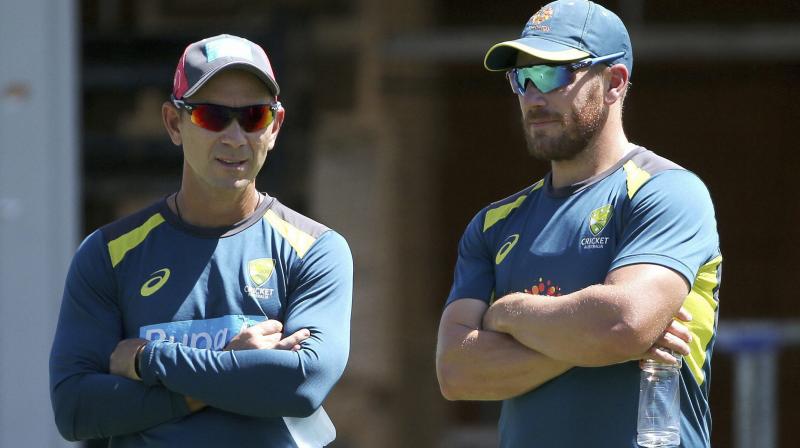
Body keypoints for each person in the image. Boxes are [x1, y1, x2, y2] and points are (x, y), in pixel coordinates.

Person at [435, 1, 721, 447]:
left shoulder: (667, 192)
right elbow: (456, 371)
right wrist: (593, 338)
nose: (532, 94)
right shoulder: (493, 224)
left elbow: (624, 324)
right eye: (521, 77)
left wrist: (509, 312)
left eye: (552, 74)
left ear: (613, 83)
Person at [49, 34, 352, 447]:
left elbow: (301, 387)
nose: (235, 136)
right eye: (212, 116)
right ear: (175, 123)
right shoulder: (108, 254)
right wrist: (233, 369)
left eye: (254, 116)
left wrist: (148, 360)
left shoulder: (316, 250)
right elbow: (76, 409)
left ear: (275, 126)